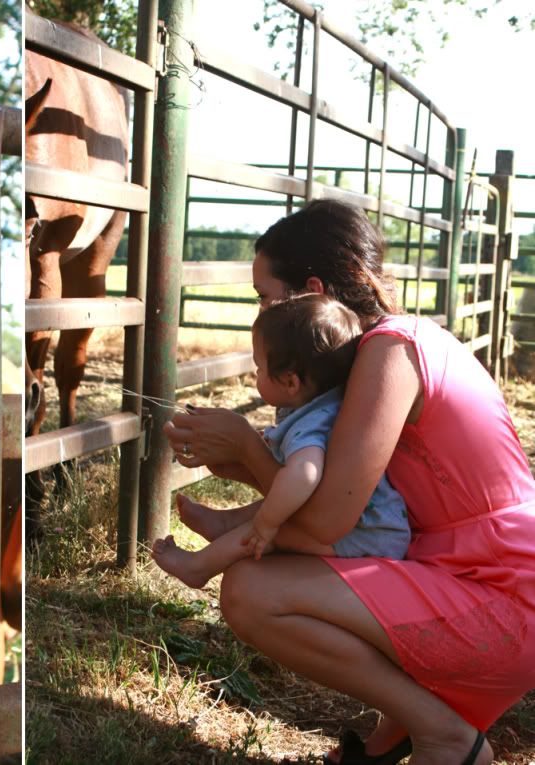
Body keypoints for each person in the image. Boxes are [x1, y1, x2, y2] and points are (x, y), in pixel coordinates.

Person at [163, 199, 535, 765]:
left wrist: (243, 446)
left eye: (265, 297)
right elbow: (334, 497)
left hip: (506, 599)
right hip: (470, 577)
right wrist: (237, 460)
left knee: (251, 592)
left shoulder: (392, 351)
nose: (259, 313)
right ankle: (400, 733)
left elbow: (327, 521)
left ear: (310, 289)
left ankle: (444, 735)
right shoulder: (373, 354)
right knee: (269, 570)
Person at [152, 294, 411, 589]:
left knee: (268, 524)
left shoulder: (310, 426)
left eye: (259, 368)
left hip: (367, 535)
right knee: (279, 506)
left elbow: (304, 474)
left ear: (290, 382)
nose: (256, 375)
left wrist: (267, 523)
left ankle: (197, 567)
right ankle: (224, 524)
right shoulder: (329, 407)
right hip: (378, 528)